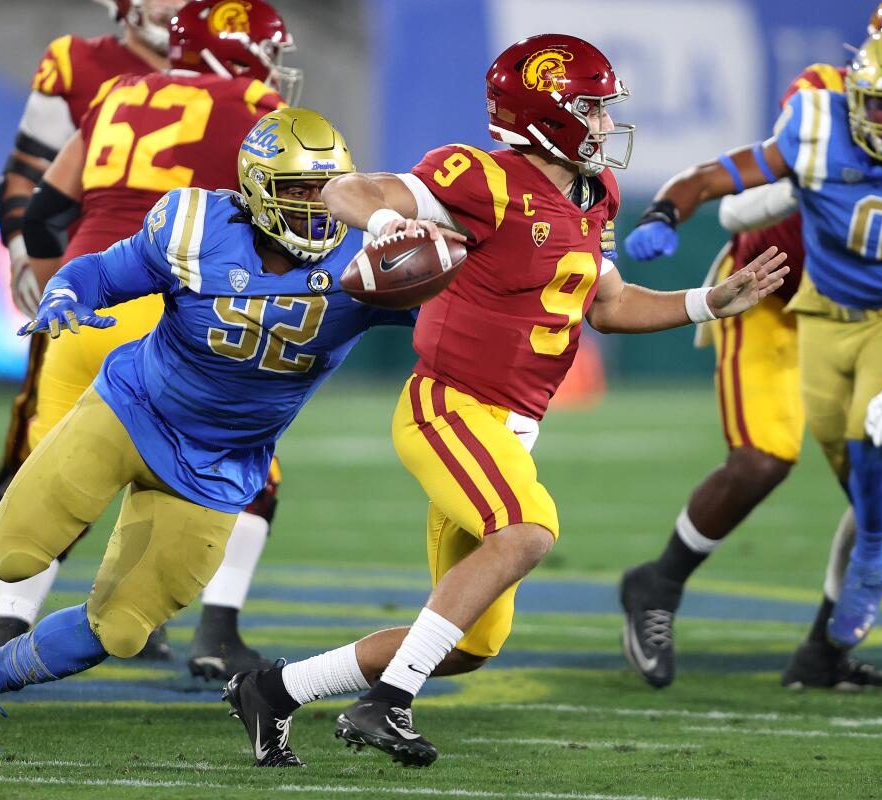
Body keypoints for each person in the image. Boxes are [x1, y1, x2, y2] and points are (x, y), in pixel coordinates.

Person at [220, 33, 788, 769]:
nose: (607, 124)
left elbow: (608, 303)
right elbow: (343, 189)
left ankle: (274, 690)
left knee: (469, 644)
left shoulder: (596, 191)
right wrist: (391, 224)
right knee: (528, 529)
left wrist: (708, 303)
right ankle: (385, 704)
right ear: (547, 114)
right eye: (591, 109)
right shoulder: (483, 177)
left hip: (512, 429)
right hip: (449, 407)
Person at [0, 108, 418, 757]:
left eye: (325, 187)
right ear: (256, 190)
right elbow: (103, 274)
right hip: (131, 410)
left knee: (122, 629)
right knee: (11, 552)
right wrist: (65, 297)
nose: (316, 207)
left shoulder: (367, 257)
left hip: (222, 463)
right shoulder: (196, 227)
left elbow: (450, 316)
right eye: (297, 192)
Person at [617, 0, 882, 692]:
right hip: (770, 290)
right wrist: (677, 208)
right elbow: (742, 176)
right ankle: (658, 583)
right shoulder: (820, 100)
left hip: (872, 316)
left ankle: (822, 650)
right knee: (764, 458)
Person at [7, 0, 296, 679]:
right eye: (267, 50)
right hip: (172, 310)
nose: (275, 67)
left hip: (85, 301)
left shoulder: (116, 91)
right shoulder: (252, 100)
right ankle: (216, 632)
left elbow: (45, 214)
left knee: (46, 479)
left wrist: (60, 288)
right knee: (247, 471)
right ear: (236, 53)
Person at [0, 0, 186, 661]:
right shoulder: (82, 63)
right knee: (37, 456)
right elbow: (26, 177)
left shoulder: (218, 68)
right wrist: (27, 252)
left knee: (161, 462)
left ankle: (129, 604)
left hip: (181, 301)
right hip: (95, 291)